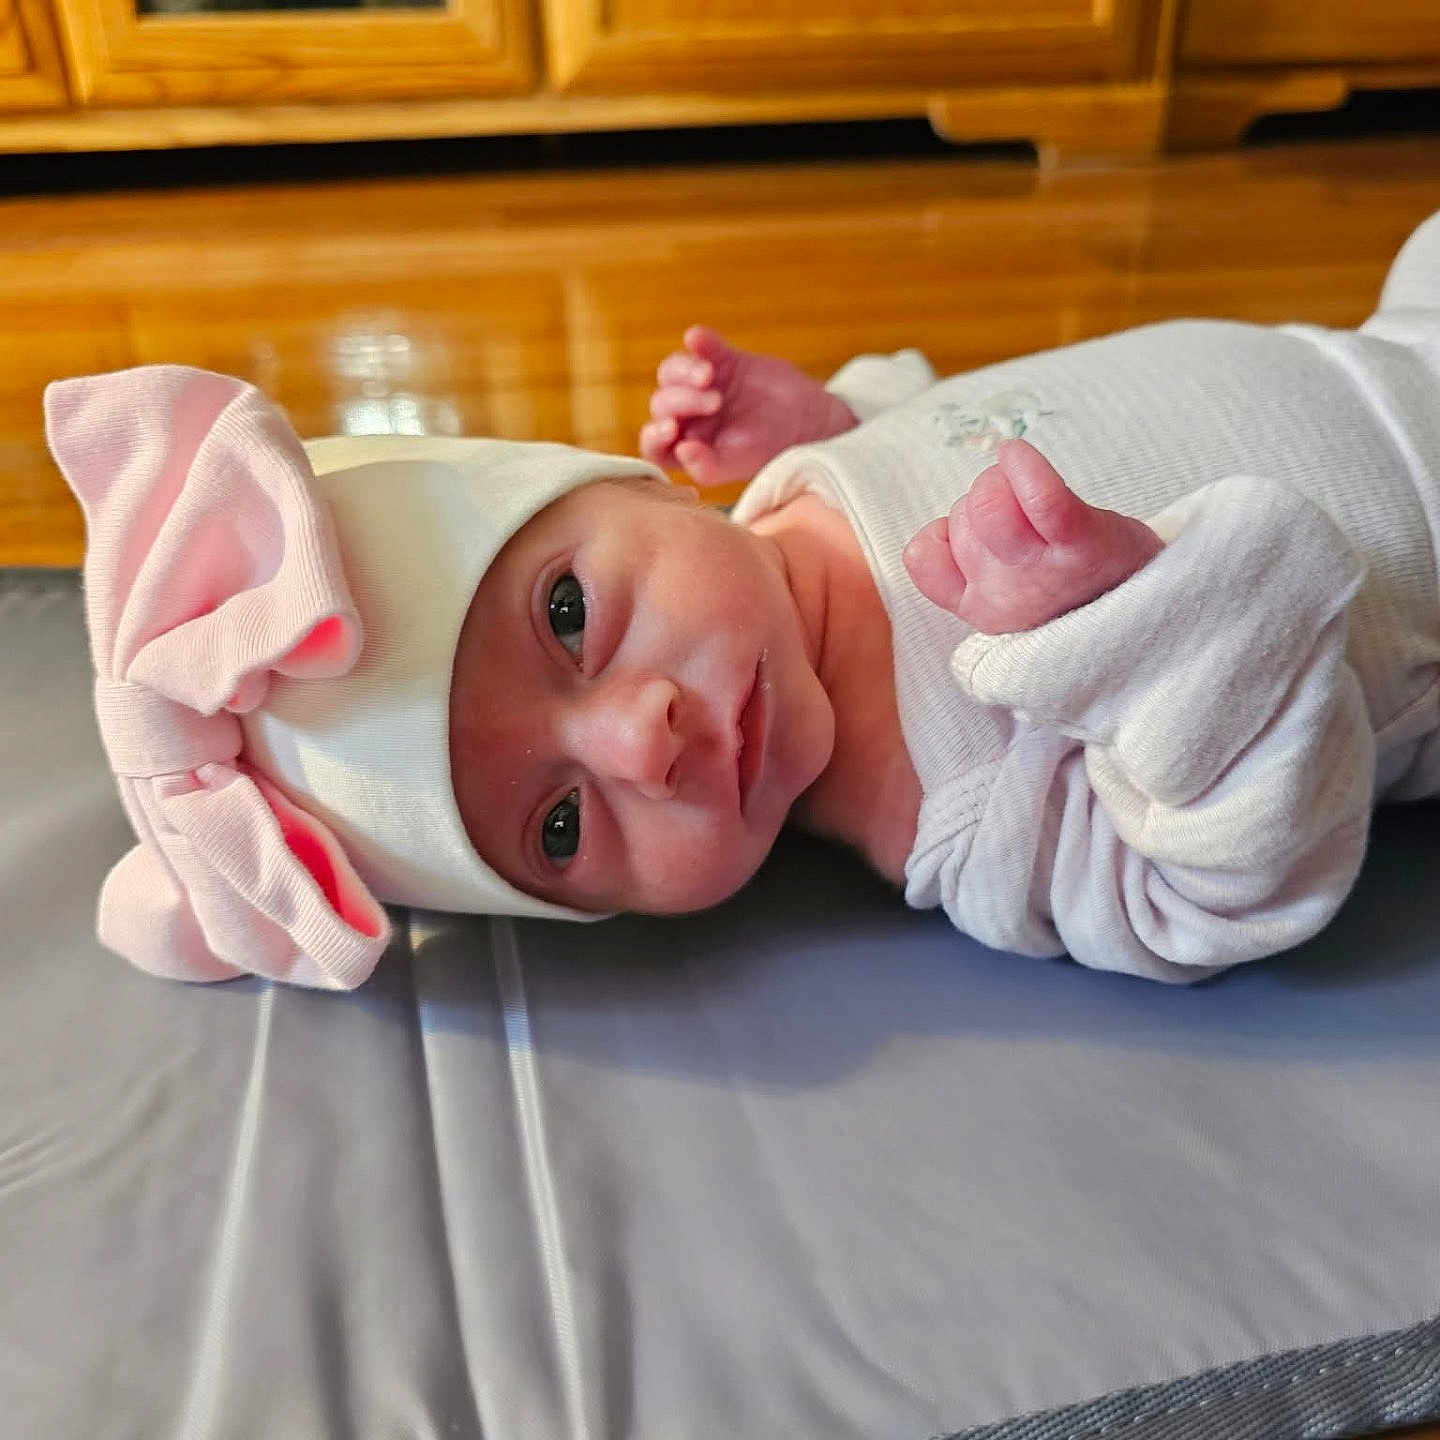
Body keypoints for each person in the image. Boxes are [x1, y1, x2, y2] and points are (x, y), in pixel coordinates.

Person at [50, 210, 1440, 990]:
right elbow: (1228, 887)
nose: (638, 741)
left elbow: (953, 425)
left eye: (569, 620)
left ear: (637, 487)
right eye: (557, 824)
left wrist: (837, 420)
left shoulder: (779, 507)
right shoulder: (954, 815)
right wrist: (1139, 628)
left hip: (1387, 338)